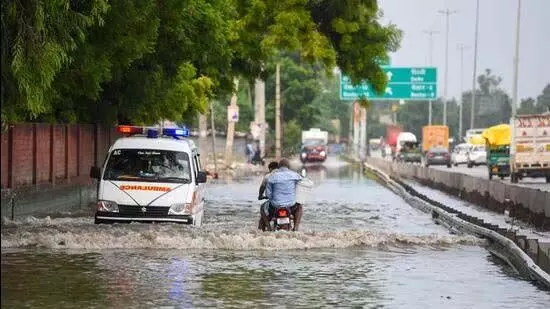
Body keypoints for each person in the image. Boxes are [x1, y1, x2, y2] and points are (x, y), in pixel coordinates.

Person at [262, 158, 304, 231]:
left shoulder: (272, 177)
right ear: (289, 167)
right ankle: (296, 228)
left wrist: (273, 198)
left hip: (275, 206)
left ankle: (268, 228)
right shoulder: (295, 175)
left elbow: (268, 195)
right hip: (291, 206)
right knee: (299, 207)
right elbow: (303, 184)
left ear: (278, 167)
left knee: (263, 208)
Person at [257, 161, 279, 230]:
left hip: (273, 204)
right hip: (287, 204)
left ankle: (268, 228)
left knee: (262, 208)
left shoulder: (268, 176)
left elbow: (262, 188)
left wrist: (260, 196)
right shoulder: (284, 175)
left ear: (270, 169)